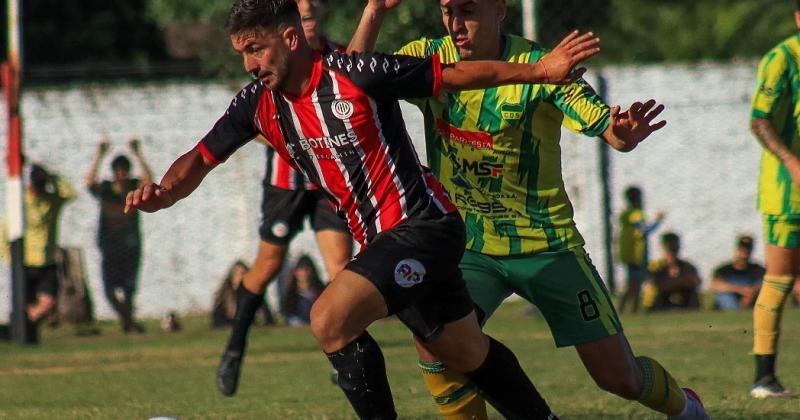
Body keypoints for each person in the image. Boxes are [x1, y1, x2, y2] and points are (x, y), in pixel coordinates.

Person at [124, 0, 603, 416]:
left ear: (290, 38)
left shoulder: (356, 74)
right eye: (242, 54)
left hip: (423, 227)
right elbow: (202, 156)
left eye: (256, 50)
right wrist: (164, 192)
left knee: (329, 318)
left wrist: (540, 70)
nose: (249, 64)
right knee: (464, 351)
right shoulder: (258, 104)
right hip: (387, 241)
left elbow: (455, 76)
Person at [348, 1, 708, 419]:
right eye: (447, 10)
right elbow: (351, 83)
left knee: (619, 378)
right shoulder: (429, 59)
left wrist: (623, 132)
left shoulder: (543, 65)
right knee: (435, 341)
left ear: (499, 10)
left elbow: (608, 128)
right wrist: (374, 11)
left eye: (468, 10)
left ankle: (688, 409)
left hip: (547, 244)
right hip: (469, 244)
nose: (455, 23)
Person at [216, 0, 354, 397]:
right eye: (300, 12)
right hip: (285, 185)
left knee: (341, 267)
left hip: (329, 185)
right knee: (267, 264)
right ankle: (235, 347)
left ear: (319, 15)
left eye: (310, 12)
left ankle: (343, 359)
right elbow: (252, 123)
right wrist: (296, 140)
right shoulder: (268, 64)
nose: (305, 18)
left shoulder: (341, 58)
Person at [748, 0, 800, 399]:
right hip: (788, 192)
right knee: (780, 278)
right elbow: (759, 119)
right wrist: (791, 162)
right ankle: (764, 377)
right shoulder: (782, 59)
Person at [1, 164, 76, 343]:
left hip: (47, 262)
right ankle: (23, 335)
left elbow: (70, 193)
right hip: (25, 262)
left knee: (48, 303)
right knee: (23, 303)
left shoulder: (51, 201)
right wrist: (9, 256)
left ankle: (15, 329)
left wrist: (52, 177)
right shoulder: (22, 202)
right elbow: (5, 230)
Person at [85, 138, 152, 333]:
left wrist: (138, 154)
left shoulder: (133, 187)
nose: (121, 174)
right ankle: (128, 322)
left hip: (130, 246)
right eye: (118, 170)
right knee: (109, 290)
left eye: (124, 170)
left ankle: (128, 324)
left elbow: (148, 181)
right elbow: (89, 182)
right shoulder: (106, 190)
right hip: (109, 246)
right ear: (114, 172)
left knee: (129, 290)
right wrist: (99, 155)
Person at [618, 186, 664, 314]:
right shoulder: (636, 213)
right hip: (636, 254)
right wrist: (658, 221)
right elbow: (645, 231)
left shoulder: (626, 213)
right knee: (634, 283)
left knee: (635, 283)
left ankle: (632, 309)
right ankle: (626, 309)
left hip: (628, 253)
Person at [211, 260, 274, 328]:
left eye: (244, 274)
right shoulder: (223, 298)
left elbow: (268, 320)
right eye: (237, 275)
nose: (241, 278)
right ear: (232, 278)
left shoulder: (255, 295)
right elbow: (218, 323)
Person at [647, 232, 701, 312]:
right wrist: (680, 281)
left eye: (674, 247)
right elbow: (656, 284)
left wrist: (674, 282)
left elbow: (696, 281)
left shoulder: (687, 266)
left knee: (692, 293)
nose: (672, 250)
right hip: (659, 300)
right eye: (669, 247)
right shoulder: (654, 266)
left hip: (682, 298)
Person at [710, 235, 765, 310]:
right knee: (725, 297)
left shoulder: (758, 269)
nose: (745, 251)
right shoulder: (724, 270)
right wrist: (741, 290)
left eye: (747, 248)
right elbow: (715, 286)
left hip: (752, 299)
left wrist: (751, 292)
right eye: (742, 248)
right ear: (736, 249)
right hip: (730, 301)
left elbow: (766, 284)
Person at [281, 255, 326, 326]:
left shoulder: (320, 290)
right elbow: (288, 311)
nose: (304, 273)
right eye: (301, 270)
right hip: (296, 322)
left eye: (307, 269)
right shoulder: (291, 292)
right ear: (295, 272)